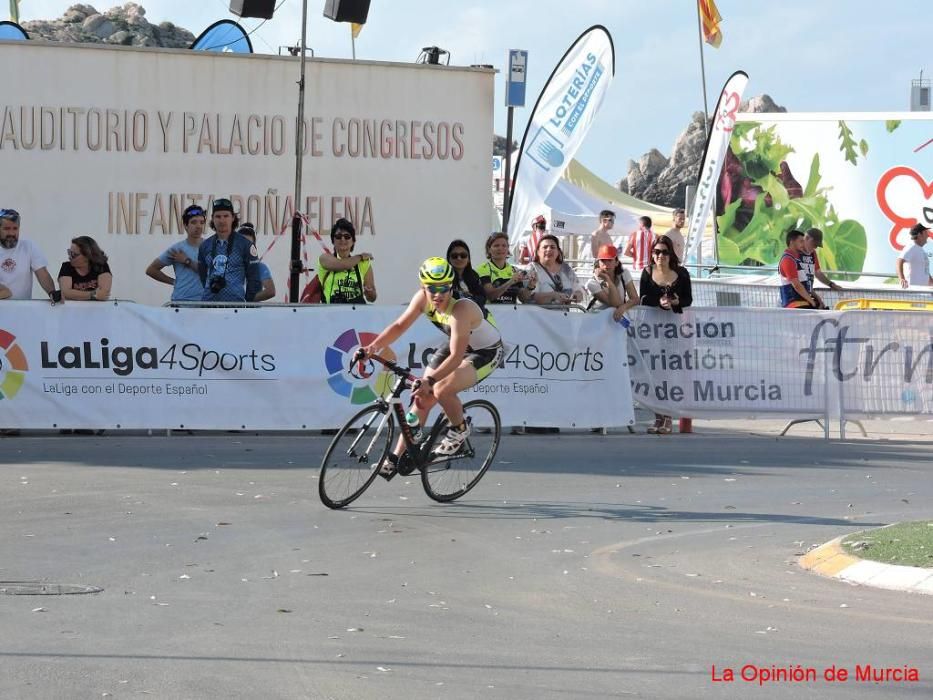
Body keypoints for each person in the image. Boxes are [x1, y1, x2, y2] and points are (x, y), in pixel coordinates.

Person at [362, 257, 503, 477]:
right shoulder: (422, 299)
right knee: (421, 397)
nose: (438, 295)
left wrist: (430, 380)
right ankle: (395, 458)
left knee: (441, 388)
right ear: (422, 287)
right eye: (432, 289)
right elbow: (400, 326)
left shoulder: (461, 310)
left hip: (486, 351)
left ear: (451, 286)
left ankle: (459, 429)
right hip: (458, 342)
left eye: (444, 288)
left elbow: (456, 357)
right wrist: (372, 347)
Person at [639, 235, 692, 435]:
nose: (660, 256)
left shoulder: (682, 273)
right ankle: (657, 416)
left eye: (664, 252)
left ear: (671, 254)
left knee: (669, 373)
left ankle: (668, 417)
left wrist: (676, 302)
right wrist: (658, 302)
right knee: (653, 373)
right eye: (656, 252)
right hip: (651, 327)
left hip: (673, 327)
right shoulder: (647, 272)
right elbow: (643, 297)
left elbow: (688, 299)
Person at [197, 198, 258, 303]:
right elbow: (202, 276)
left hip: (235, 307)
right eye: (218, 216)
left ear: (233, 218)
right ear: (212, 218)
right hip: (208, 306)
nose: (222, 220)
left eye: (226, 216)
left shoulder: (245, 245)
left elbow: (254, 277)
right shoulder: (205, 245)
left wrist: (249, 303)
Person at [145, 204, 206, 302]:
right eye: (194, 222)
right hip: (181, 302)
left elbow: (209, 272)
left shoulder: (211, 247)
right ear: (186, 226)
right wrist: (173, 282)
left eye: (202, 222)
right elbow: (151, 270)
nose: (198, 226)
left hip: (205, 303)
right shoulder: (177, 249)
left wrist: (187, 261)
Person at [0, 208, 60, 302]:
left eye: (15, 228)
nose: (11, 233)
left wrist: (52, 292)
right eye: (6, 229)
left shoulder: (28, 246)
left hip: (24, 310)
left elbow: (42, 273)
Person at [317, 217, 377, 304]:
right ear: (333, 241)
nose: (342, 239)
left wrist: (370, 293)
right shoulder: (324, 258)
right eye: (338, 236)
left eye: (347, 236)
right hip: (331, 314)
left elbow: (372, 298)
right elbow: (342, 264)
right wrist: (360, 257)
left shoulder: (364, 264)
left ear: (353, 241)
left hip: (356, 313)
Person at [585, 244, 639, 321]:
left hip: (615, 321)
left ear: (616, 262)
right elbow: (615, 304)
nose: (606, 264)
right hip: (596, 321)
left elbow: (635, 299)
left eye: (610, 260)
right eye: (603, 260)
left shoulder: (624, 274)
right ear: (598, 263)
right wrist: (607, 280)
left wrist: (623, 307)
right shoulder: (592, 283)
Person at [527, 234, 583, 306]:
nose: (549, 249)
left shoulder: (566, 269)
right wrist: (552, 296)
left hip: (564, 315)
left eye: (552, 247)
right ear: (538, 252)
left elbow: (579, 291)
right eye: (545, 247)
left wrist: (577, 295)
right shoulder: (532, 268)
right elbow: (529, 297)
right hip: (539, 315)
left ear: (558, 252)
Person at [477, 231, 527, 304]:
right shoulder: (483, 268)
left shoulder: (514, 270)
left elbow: (522, 298)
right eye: (496, 245)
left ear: (508, 249)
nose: (500, 248)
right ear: (489, 249)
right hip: (491, 313)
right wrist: (510, 282)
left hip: (512, 313)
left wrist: (530, 287)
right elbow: (490, 296)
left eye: (504, 246)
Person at [59, 236, 112, 302]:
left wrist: (74, 294)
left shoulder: (101, 265)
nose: (69, 257)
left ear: (87, 256)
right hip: (72, 309)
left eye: (73, 254)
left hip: (96, 310)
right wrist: (92, 294)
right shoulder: (66, 266)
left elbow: (104, 293)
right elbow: (65, 293)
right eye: (69, 252)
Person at [778, 229, 821, 309]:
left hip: (800, 302)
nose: (803, 244)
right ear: (792, 242)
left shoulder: (795, 259)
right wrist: (812, 302)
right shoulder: (788, 259)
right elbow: (797, 285)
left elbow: (804, 286)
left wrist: (817, 299)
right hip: (794, 304)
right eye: (801, 241)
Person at [802, 228, 842, 305]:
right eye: (814, 244)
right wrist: (816, 297)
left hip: (807, 294)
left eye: (817, 246)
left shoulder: (813, 254)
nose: (816, 247)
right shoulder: (794, 252)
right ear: (807, 238)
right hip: (795, 296)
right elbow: (798, 282)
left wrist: (831, 284)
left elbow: (818, 273)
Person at [237, 224, 277, 302]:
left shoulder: (259, 267)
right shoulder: (224, 264)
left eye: (248, 244)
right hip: (227, 312)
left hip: (252, 313)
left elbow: (270, 291)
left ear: (254, 246)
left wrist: (247, 300)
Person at [446, 239, 486, 306]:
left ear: (468, 259)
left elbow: (483, 298)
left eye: (463, 255)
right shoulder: (444, 277)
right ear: (449, 259)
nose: (459, 258)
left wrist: (471, 298)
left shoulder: (474, 275)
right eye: (454, 256)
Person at [896, 223, 932, 289]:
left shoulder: (921, 250)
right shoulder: (911, 246)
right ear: (919, 234)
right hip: (912, 291)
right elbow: (899, 260)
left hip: (923, 293)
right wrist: (902, 279)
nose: (928, 236)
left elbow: (925, 271)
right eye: (926, 233)